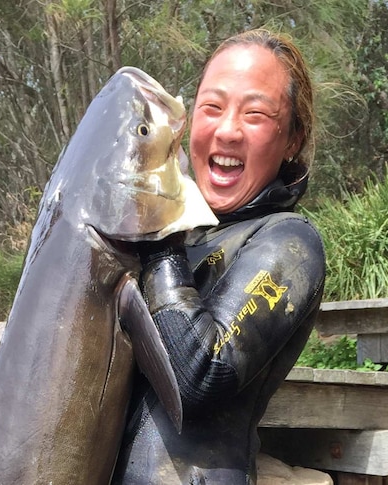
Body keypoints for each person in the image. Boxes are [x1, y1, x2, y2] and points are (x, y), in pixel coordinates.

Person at [113, 29, 327, 484]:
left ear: (292, 139)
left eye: (255, 114)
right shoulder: (181, 239)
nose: (228, 130)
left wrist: (159, 237)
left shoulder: (289, 241)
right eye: (212, 107)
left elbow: (200, 375)